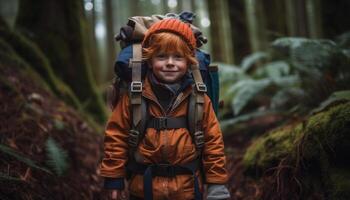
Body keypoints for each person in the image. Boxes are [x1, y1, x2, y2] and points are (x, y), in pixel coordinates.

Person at [99, 18, 230, 200]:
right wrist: (114, 180)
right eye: (161, 56)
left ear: (189, 62)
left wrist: (217, 184)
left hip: (189, 190)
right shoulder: (134, 97)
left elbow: (213, 142)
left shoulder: (199, 98)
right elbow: (116, 136)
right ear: (150, 61)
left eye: (178, 57)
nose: (170, 63)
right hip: (143, 190)